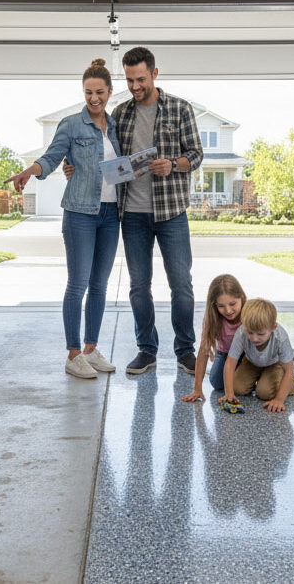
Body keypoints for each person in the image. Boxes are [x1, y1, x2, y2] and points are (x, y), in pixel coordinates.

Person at [5, 59, 121, 380]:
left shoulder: (115, 127)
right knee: (78, 283)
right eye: (88, 92)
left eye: (99, 92)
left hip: (111, 214)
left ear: (109, 92)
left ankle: (90, 349)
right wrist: (30, 171)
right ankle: (73, 354)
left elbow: (119, 167)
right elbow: (52, 157)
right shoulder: (71, 125)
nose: (94, 98)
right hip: (80, 212)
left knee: (100, 285)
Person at [114, 46, 204, 376]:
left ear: (154, 73)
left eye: (140, 79)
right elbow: (108, 158)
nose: (135, 86)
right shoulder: (120, 113)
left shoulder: (180, 108)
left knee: (181, 284)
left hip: (171, 212)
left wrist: (173, 164)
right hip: (132, 214)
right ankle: (146, 350)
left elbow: (196, 154)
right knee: (139, 286)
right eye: (129, 80)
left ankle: (185, 351)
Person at [218, 298, 294, 413]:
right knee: (237, 388)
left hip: (275, 363)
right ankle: (263, 378)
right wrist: (229, 393)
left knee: (265, 393)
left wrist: (279, 400)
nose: (254, 338)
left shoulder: (280, 337)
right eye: (250, 332)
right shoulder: (241, 332)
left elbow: (288, 370)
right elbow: (230, 363)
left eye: (261, 334)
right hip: (251, 362)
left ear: (273, 328)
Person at [182, 274, 247, 403]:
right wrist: (197, 389)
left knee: (240, 387)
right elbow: (203, 351)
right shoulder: (212, 319)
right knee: (216, 382)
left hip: (248, 356)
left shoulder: (249, 312)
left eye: (232, 304)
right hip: (225, 354)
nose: (228, 310)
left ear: (242, 298)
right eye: (221, 306)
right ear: (214, 305)